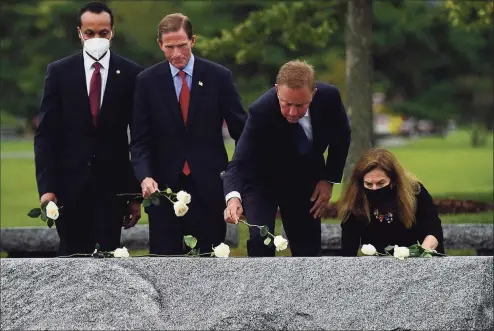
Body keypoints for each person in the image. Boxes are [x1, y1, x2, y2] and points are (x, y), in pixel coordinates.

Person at [130, 13, 247, 255]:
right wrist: (144, 176)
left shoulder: (219, 77)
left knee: (209, 264)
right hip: (164, 193)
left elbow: (242, 132)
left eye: (182, 45)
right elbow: (140, 141)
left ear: (193, 41)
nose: (176, 54)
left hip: (209, 189)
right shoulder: (146, 81)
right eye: (169, 47)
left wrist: (238, 179)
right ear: (160, 45)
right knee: (165, 265)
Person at [34, 2, 143, 256]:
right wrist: (47, 188)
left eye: (103, 33)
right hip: (68, 188)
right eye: (90, 33)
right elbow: (46, 135)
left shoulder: (131, 73)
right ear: (79, 33)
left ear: (112, 32)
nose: (97, 38)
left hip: (112, 189)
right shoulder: (59, 72)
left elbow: (138, 138)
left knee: (108, 260)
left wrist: (134, 195)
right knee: (71, 257)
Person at [223, 60, 351, 257]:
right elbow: (239, 162)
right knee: (261, 240)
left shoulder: (330, 97)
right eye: (286, 104)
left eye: (300, 105)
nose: (292, 112)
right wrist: (233, 199)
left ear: (313, 93)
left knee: (307, 247)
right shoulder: (260, 111)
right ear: (277, 91)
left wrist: (329, 179)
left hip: (304, 180)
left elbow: (342, 136)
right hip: (261, 182)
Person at [338, 148, 445, 256]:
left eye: (381, 183)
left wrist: (421, 255)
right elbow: (348, 248)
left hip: (412, 260)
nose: (374, 189)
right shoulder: (356, 199)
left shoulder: (415, 193)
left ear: (394, 181)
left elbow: (433, 230)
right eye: (369, 184)